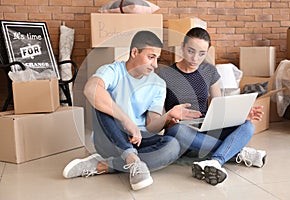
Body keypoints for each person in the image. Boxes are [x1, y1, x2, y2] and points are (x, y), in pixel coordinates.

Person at [62, 30, 200, 191]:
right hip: (110, 138)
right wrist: (127, 121)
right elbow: (90, 89)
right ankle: (132, 160)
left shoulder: (158, 83)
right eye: (151, 57)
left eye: (157, 58)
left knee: (172, 146)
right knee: (100, 96)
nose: (155, 65)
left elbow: (151, 125)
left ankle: (105, 165)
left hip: (139, 140)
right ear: (135, 52)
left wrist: (167, 116)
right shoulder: (112, 71)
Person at [158, 27, 266, 186]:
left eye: (202, 53)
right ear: (182, 47)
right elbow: (159, 118)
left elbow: (219, 106)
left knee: (248, 126)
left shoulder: (209, 71)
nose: (195, 58)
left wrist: (241, 115)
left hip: (207, 125)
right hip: (182, 129)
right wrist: (168, 120)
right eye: (190, 51)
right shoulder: (166, 74)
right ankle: (236, 152)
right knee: (178, 131)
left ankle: (216, 161)